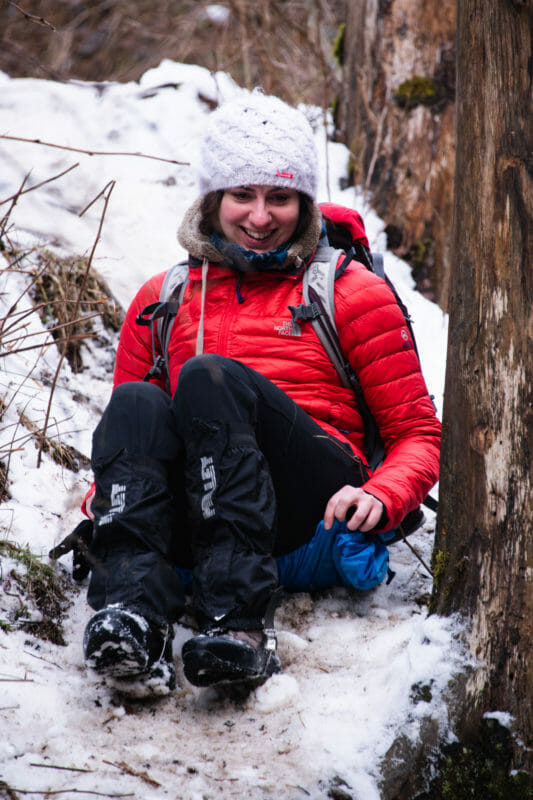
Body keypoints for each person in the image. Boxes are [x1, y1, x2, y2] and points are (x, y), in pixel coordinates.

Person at [79, 91, 441, 696]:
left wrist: (383, 492)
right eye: (241, 195)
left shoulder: (351, 293)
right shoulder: (162, 299)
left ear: (303, 202)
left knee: (206, 376)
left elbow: (417, 434)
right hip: (203, 508)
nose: (259, 215)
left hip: (309, 510)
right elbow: (133, 440)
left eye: (279, 197)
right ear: (214, 198)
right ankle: (132, 615)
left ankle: (238, 622)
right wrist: (108, 496)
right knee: (137, 404)